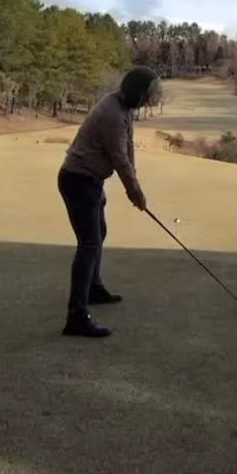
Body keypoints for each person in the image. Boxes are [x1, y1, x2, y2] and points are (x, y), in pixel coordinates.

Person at [58, 65, 162, 338]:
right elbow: (119, 159)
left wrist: (134, 188)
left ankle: (94, 288)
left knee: (99, 234)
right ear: (137, 92)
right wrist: (135, 192)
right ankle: (76, 317)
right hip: (78, 180)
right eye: (148, 94)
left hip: (90, 181)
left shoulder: (123, 108)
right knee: (89, 243)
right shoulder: (112, 114)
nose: (149, 100)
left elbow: (128, 150)